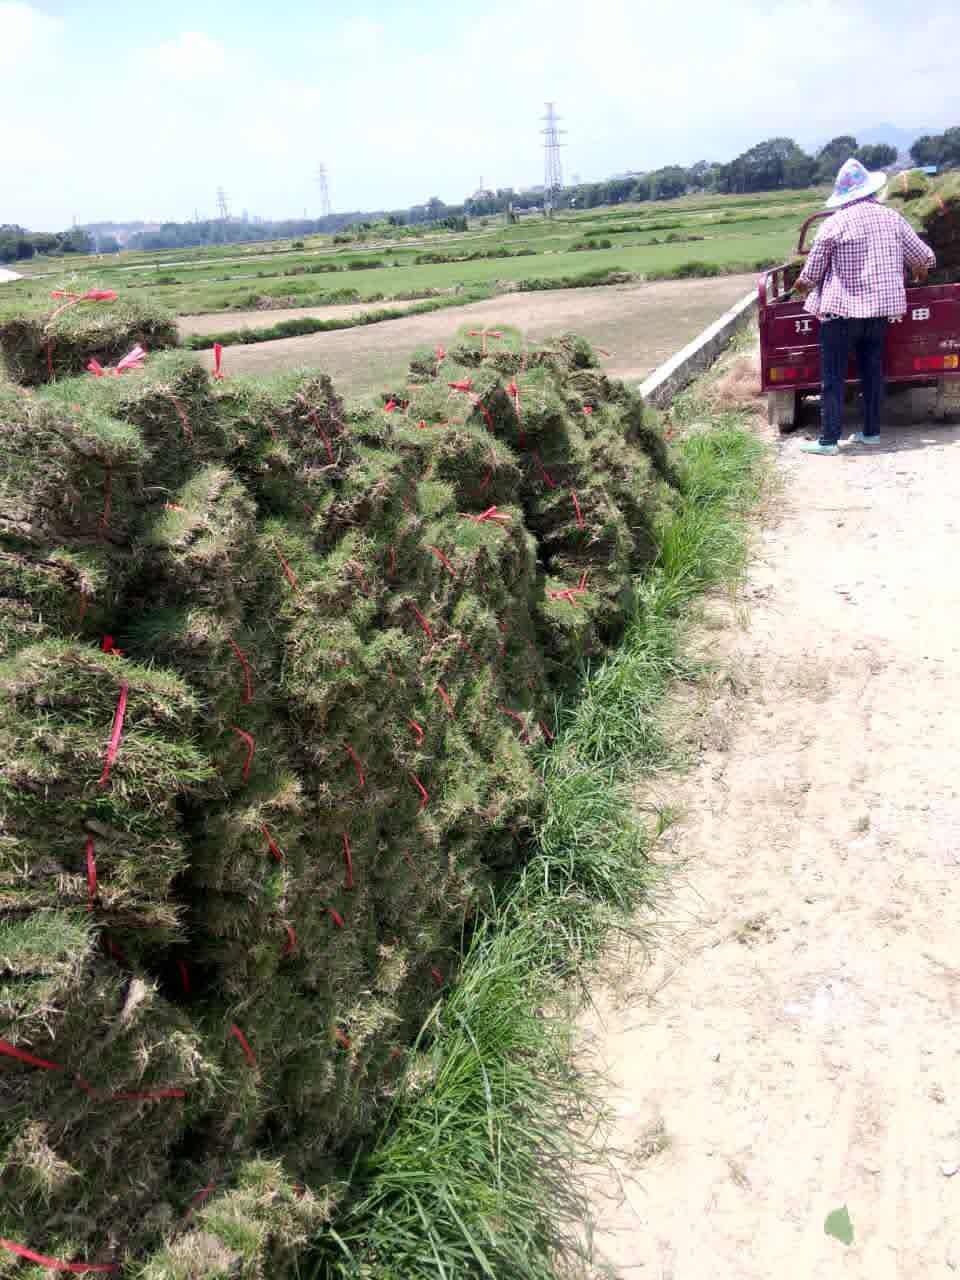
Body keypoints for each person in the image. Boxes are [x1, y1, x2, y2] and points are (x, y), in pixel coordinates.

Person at [794, 157, 936, 455]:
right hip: (880, 314)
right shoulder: (893, 218)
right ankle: (871, 432)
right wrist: (917, 274)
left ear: (844, 196)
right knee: (872, 371)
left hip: (842, 314)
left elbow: (811, 273)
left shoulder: (834, 223)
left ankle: (829, 441)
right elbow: (924, 258)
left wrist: (801, 287)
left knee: (833, 377)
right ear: (870, 191)